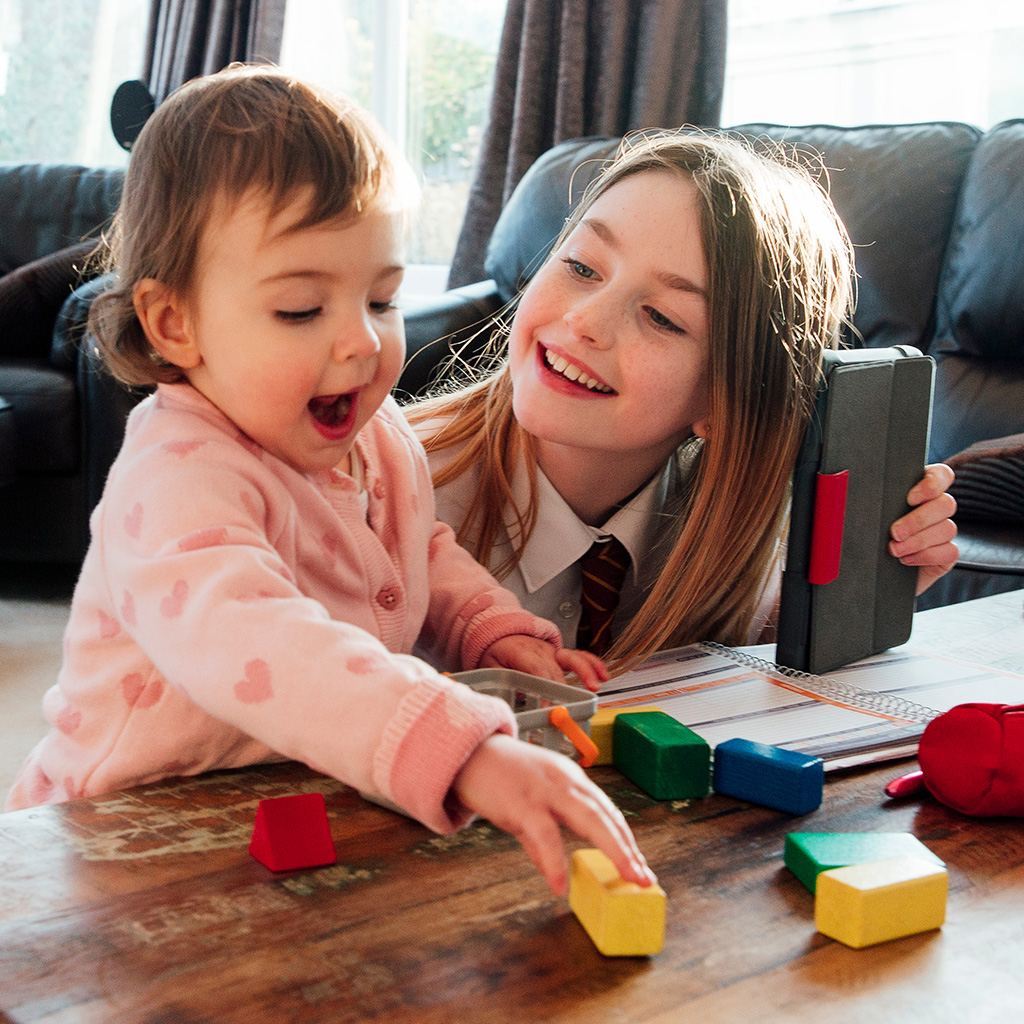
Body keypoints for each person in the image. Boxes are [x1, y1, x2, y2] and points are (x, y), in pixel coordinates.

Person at [4, 65, 654, 897]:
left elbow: (420, 548)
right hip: (123, 838)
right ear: (176, 323)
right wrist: (457, 747)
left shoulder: (376, 434)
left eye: (381, 300)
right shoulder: (174, 476)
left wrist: (485, 628)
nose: (361, 343)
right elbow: (260, 637)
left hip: (289, 794)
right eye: (302, 310)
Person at [408, 131, 958, 666]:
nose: (585, 321)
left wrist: (861, 593)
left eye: (661, 318)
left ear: (726, 399)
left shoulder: (732, 532)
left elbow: (751, 656)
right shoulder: (391, 495)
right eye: (581, 267)